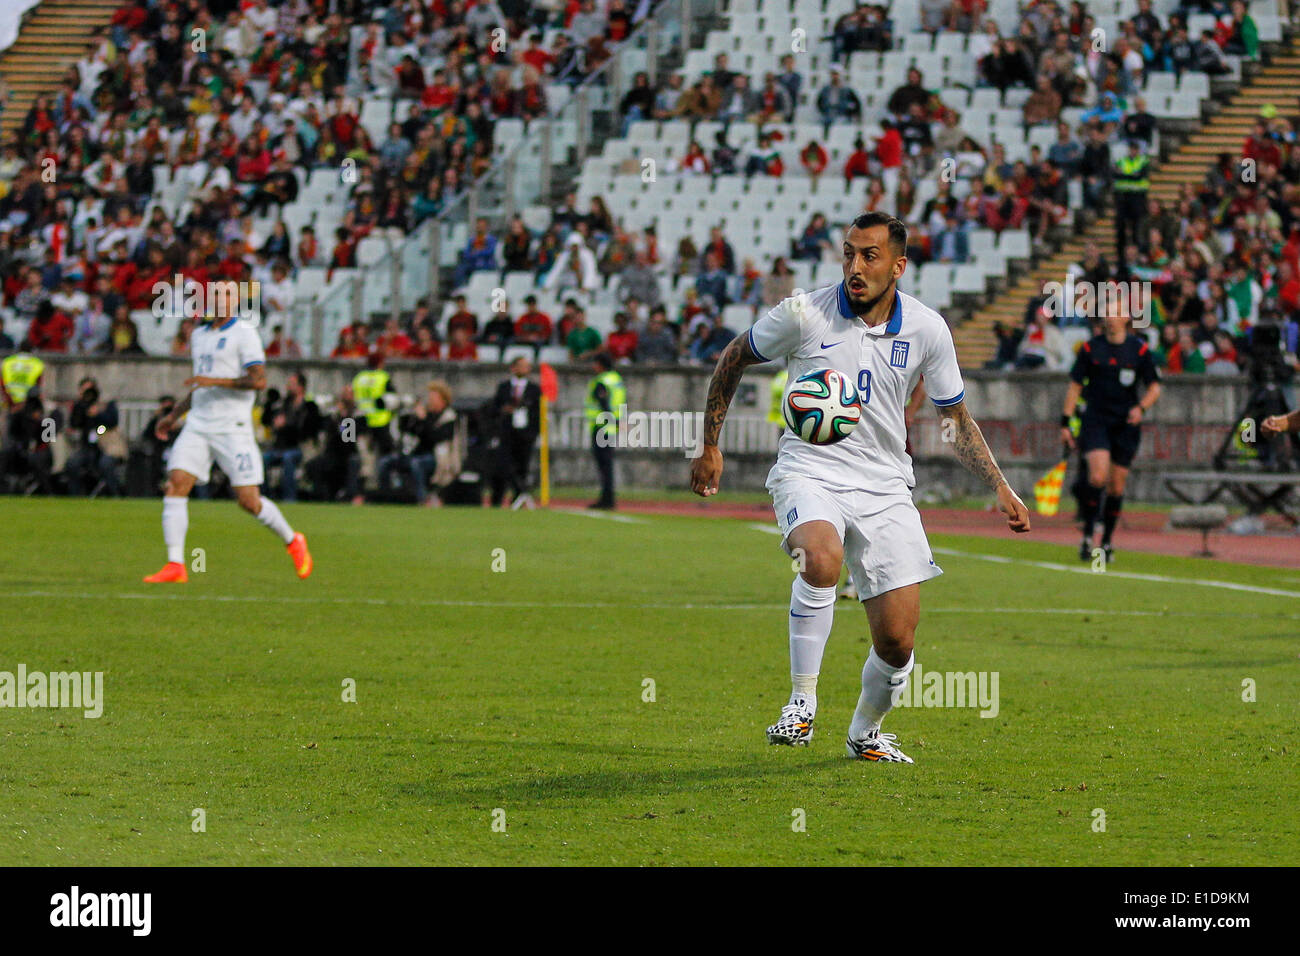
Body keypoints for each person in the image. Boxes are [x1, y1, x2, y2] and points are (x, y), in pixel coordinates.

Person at [689, 212, 1031, 763]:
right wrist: (710, 444)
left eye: (870, 255)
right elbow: (733, 356)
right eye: (849, 253)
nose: (855, 266)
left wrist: (1001, 486)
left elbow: (955, 418)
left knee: (897, 643)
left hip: (885, 485)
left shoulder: (927, 329)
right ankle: (801, 703)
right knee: (820, 560)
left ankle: (865, 733)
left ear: (898, 265)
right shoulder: (804, 314)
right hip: (810, 469)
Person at [143, 312, 312, 583]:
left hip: (232, 426)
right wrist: (173, 415)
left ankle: (293, 540)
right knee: (175, 485)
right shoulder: (199, 336)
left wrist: (217, 381)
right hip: (198, 424)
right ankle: (176, 564)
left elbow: (258, 381)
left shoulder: (244, 333)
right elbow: (200, 385)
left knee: (248, 500)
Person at [1060, 303, 1162, 563]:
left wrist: (1141, 408)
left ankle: (1106, 542)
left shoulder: (1138, 349)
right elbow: (1074, 387)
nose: (1110, 318)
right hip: (1096, 421)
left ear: (1126, 318)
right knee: (1097, 476)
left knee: (1116, 486)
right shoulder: (1091, 348)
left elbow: (1154, 387)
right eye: (1107, 312)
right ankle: (1087, 535)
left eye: (1116, 313)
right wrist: (1066, 422)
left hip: (1126, 424)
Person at [377, 381, 459, 507]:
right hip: (414, 453)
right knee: (385, 462)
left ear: (443, 399)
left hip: (436, 457)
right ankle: (385, 498)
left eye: (433, 397)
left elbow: (436, 437)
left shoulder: (449, 417)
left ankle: (423, 499)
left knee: (417, 464)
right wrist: (406, 415)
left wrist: (424, 419)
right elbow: (407, 432)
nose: (430, 400)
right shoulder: (423, 413)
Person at [261, 371, 321, 502]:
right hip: (280, 446)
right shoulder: (283, 404)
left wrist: (286, 425)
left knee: (288, 458)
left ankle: (289, 497)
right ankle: (264, 496)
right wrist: (273, 419)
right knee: (263, 458)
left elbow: (309, 429)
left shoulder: (309, 406)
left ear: (301, 387)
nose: (288, 387)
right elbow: (265, 420)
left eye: (292, 384)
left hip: (299, 447)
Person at [491, 357, 542, 507]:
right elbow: (494, 408)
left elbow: (538, 413)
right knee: (503, 465)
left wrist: (533, 432)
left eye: (527, 366)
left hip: (525, 434)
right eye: (521, 366)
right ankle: (497, 500)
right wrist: (504, 410)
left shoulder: (534, 389)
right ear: (513, 368)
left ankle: (518, 499)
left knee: (522, 466)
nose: (524, 369)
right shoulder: (504, 387)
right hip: (507, 432)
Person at [66, 377, 123, 496]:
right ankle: (74, 496)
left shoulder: (106, 404)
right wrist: (81, 406)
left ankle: (115, 495)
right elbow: (74, 424)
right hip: (87, 448)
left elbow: (112, 422)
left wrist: (98, 414)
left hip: (106, 446)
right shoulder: (80, 406)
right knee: (72, 463)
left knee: (106, 464)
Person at [586, 352, 625, 510]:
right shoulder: (616, 379)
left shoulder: (601, 381)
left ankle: (606, 499)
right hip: (610, 427)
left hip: (601, 426)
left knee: (604, 465)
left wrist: (611, 419)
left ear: (600, 365)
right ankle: (607, 498)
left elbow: (603, 402)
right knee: (607, 464)